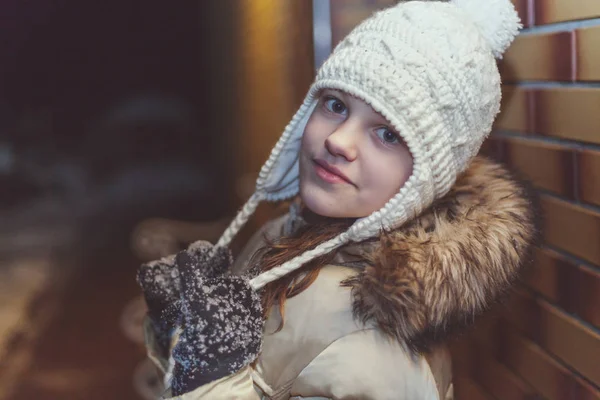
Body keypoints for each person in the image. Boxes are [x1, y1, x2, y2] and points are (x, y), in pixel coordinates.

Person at [137, 0, 537, 398]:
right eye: (336, 105)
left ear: (428, 176)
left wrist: (211, 378)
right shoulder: (293, 231)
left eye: (388, 134)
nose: (338, 140)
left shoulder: (369, 341)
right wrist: (177, 328)